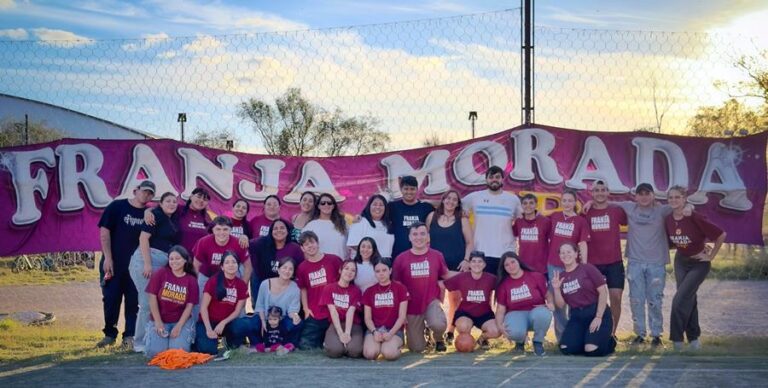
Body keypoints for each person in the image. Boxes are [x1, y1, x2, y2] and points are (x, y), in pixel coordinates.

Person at [665, 186, 726, 351]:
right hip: (681, 262)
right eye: (670, 197)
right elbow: (672, 242)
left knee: (679, 299)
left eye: (677, 197)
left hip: (699, 263)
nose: (673, 200)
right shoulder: (668, 219)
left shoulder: (694, 216)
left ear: (685, 199)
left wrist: (711, 255)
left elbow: (721, 235)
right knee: (688, 298)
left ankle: (677, 341)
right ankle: (694, 339)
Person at [96, 180, 155, 348]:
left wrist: (151, 210)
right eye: (144, 191)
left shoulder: (150, 214)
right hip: (113, 264)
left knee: (133, 301)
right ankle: (109, 334)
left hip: (136, 267)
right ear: (136, 190)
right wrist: (108, 257)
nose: (146, 195)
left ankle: (129, 335)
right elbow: (104, 232)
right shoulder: (117, 207)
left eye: (150, 193)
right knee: (111, 298)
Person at [129, 191, 180, 352]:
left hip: (162, 262)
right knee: (146, 304)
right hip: (148, 259)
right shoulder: (155, 215)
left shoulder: (167, 218)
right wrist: (147, 264)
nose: (172, 204)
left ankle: (151, 339)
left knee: (155, 303)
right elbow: (143, 238)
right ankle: (139, 342)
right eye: (168, 201)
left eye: (174, 202)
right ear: (161, 203)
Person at [392, 222, 451, 353]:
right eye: (415, 234)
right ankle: (426, 334)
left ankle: (439, 338)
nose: (419, 237)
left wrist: (469, 275)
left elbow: (446, 275)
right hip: (411, 305)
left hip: (431, 300)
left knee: (438, 324)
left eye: (422, 233)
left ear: (428, 237)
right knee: (416, 348)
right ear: (409, 237)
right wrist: (401, 312)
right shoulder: (400, 259)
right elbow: (396, 287)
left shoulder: (437, 255)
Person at [551, 242, 616, 357]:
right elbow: (561, 305)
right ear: (559, 256)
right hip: (577, 316)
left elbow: (603, 292)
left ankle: (609, 342)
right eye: (562, 253)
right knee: (566, 348)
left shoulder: (587, 268)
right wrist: (556, 289)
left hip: (595, 311)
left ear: (576, 254)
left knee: (592, 350)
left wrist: (598, 316)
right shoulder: (561, 277)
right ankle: (586, 340)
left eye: (569, 252)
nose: (566, 255)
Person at [426, 190, 473, 343]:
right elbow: (424, 240)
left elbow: (469, 242)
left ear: (458, 203)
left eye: (455, 199)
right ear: (443, 200)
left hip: (456, 265)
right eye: (448, 198)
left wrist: (467, 260)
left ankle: (450, 331)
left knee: (455, 300)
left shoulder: (462, 219)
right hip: (435, 266)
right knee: (435, 299)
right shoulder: (432, 217)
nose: (451, 202)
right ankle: (434, 331)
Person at [583, 180, 627, 335]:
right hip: (593, 264)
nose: (600, 193)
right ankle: (594, 331)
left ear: (608, 192)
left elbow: (633, 215)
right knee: (593, 300)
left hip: (614, 262)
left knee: (615, 297)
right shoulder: (585, 212)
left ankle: (612, 333)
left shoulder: (616, 211)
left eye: (603, 190)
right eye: (596, 190)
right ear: (591, 193)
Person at [546, 189, 590, 341]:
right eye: (564, 200)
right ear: (561, 201)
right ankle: (563, 338)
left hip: (572, 267)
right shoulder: (554, 217)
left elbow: (583, 243)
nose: (567, 203)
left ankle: (575, 335)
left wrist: (583, 265)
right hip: (554, 265)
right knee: (559, 305)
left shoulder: (580, 221)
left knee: (574, 301)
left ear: (575, 202)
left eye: (570, 201)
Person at [462, 166, 523, 274]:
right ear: (486, 180)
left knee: (504, 289)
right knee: (484, 290)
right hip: (480, 254)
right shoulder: (475, 197)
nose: (494, 179)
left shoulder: (513, 199)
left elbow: (524, 219)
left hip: (505, 254)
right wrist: (462, 213)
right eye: (491, 177)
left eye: (497, 177)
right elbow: (453, 206)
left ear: (502, 179)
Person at [143, 245, 199, 358]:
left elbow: (189, 306)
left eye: (177, 258)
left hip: (180, 321)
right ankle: (159, 340)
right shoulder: (161, 273)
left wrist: (178, 326)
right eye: (171, 259)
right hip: (160, 320)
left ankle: (178, 340)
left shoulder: (191, 280)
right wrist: (158, 323)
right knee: (155, 354)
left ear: (185, 260)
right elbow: (152, 297)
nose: (174, 262)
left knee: (178, 354)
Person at [235, 257, 303, 350]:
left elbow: (292, 310)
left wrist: (295, 316)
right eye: (284, 268)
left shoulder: (295, 288)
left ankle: (287, 346)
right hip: (265, 317)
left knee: (295, 323)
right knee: (251, 324)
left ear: (293, 273)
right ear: (278, 270)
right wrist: (263, 322)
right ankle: (257, 345)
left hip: (281, 320)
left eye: (290, 269)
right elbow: (260, 306)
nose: (287, 271)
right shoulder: (265, 284)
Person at [192, 216, 252, 319]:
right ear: (213, 230)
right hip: (207, 275)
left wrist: (243, 284)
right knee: (200, 304)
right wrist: (194, 285)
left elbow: (248, 266)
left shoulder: (238, 243)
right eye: (218, 229)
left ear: (231, 229)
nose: (221, 232)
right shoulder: (203, 242)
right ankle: (199, 327)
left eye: (225, 229)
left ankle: (237, 326)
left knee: (236, 304)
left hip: (231, 276)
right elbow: (196, 265)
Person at [495, 251, 552, 356]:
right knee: (514, 331)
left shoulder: (536, 276)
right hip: (516, 314)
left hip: (535, 312)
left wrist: (551, 303)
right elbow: (500, 309)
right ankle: (520, 342)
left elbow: (547, 295)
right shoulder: (504, 284)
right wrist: (500, 326)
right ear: (504, 268)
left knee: (543, 314)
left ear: (519, 261)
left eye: (513, 262)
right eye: (507, 265)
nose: (511, 266)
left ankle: (538, 342)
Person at [443, 251, 500, 350]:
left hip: (484, 313)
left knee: (496, 331)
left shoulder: (491, 278)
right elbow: (442, 284)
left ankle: (482, 339)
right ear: (469, 264)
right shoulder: (462, 277)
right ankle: (465, 342)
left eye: (480, 261)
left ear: (484, 264)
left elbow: (505, 286)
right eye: (473, 261)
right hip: (465, 313)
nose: (476, 264)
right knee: (463, 327)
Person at [295, 231, 343, 349]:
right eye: (306, 244)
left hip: (335, 311)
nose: (310, 246)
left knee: (336, 347)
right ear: (302, 248)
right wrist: (306, 309)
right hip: (315, 312)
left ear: (317, 243)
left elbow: (344, 282)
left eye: (312, 242)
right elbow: (303, 289)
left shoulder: (334, 260)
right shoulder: (302, 267)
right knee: (305, 346)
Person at [196, 251, 249, 355]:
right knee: (208, 349)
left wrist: (223, 323)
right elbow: (203, 308)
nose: (231, 265)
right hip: (209, 322)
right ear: (222, 267)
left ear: (238, 265)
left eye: (234, 262)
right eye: (227, 262)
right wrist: (208, 329)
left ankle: (226, 340)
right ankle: (219, 341)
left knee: (242, 325)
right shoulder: (213, 281)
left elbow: (237, 311)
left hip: (226, 323)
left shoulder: (241, 285)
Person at [363, 257, 409, 361]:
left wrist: (391, 333)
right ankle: (377, 345)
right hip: (375, 329)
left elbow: (402, 316)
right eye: (378, 271)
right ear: (374, 273)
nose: (381, 274)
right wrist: (374, 332)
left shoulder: (400, 289)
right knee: (369, 354)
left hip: (393, 330)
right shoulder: (369, 291)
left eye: (384, 270)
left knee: (389, 354)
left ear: (390, 270)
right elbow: (367, 318)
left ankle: (395, 346)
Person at [249, 219, 303, 304]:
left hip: (286, 285)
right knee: (254, 274)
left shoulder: (295, 248)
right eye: (275, 228)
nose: (279, 230)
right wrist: (243, 237)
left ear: (288, 231)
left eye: (282, 228)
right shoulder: (261, 243)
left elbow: (301, 270)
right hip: (265, 284)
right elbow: (246, 244)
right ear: (271, 231)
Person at [322, 259, 364, 358]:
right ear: (340, 270)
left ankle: (348, 345)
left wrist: (347, 334)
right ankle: (329, 342)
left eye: (353, 270)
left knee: (354, 352)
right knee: (335, 352)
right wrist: (341, 334)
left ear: (355, 274)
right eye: (346, 268)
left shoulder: (356, 290)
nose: (349, 272)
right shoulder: (329, 288)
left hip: (353, 325)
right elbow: (333, 311)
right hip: (336, 323)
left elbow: (350, 312)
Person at [387, 175, 434, 259]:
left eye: (412, 189)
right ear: (401, 189)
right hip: (397, 255)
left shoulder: (425, 207)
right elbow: (375, 211)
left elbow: (445, 207)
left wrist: (460, 211)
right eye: (406, 189)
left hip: (420, 255)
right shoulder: (392, 206)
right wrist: (359, 218)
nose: (409, 192)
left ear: (417, 189)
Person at [512, 193, 550, 277]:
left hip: (541, 268)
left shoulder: (545, 221)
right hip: (524, 267)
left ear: (536, 205)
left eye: (531, 203)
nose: (528, 206)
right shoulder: (519, 222)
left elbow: (552, 240)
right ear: (521, 205)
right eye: (525, 203)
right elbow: (511, 234)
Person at [303, 193, 349, 259]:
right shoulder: (310, 226)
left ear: (333, 206)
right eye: (323, 203)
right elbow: (305, 249)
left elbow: (351, 245)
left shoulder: (343, 224)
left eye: (329, 203)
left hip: (341, 265)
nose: (326, 205)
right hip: (320, 267)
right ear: (318, 206)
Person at [177, 187, 214, 253]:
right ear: (191, 196)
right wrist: (151, 213)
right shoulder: (178, 209)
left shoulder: (207, 217)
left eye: (205, 199)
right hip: (179, 259)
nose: (201, 200)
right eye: (199, 197)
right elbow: (160, 210)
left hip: (198, 260)